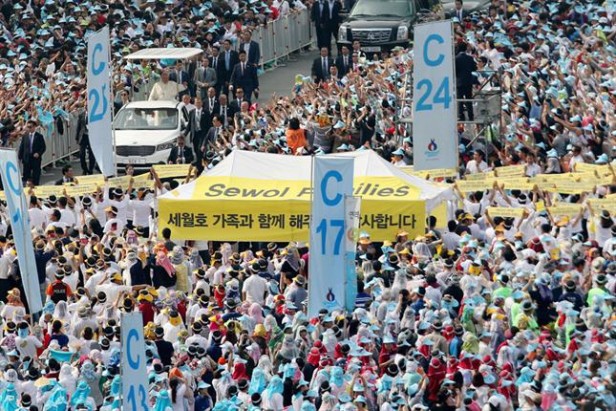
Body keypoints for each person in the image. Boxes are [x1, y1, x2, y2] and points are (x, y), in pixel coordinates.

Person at [17, 120, 46, 185]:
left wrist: (38, 153)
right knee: (26, 176)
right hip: (26, 158)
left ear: (34, 127)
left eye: (30, 127)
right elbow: (22, 147)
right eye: (28, 127)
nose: (29, 128)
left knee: (36, 175)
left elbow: (43, 147)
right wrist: (19, 157)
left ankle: (36, 188)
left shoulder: (39, 136)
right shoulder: (25, 136)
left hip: (35, 159)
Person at [455, 43, 477, 122]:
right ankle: (471, 115)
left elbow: (455, 70)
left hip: (459, 81)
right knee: (469, 99)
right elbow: (474, 68)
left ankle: (461, 116)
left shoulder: (456, 59)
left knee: (460, 99)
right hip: (468, 81)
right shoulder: (469, 58)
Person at [75, 110, 96, 175]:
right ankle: (84, 169)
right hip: (83, 136)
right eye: (85, 105)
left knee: (91, 154)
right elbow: (78, 126)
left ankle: (90, 169)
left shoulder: (94, 114)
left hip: (91, 136)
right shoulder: (81, 114)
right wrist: (77, 137)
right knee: (81, 154)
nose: (86, 106)